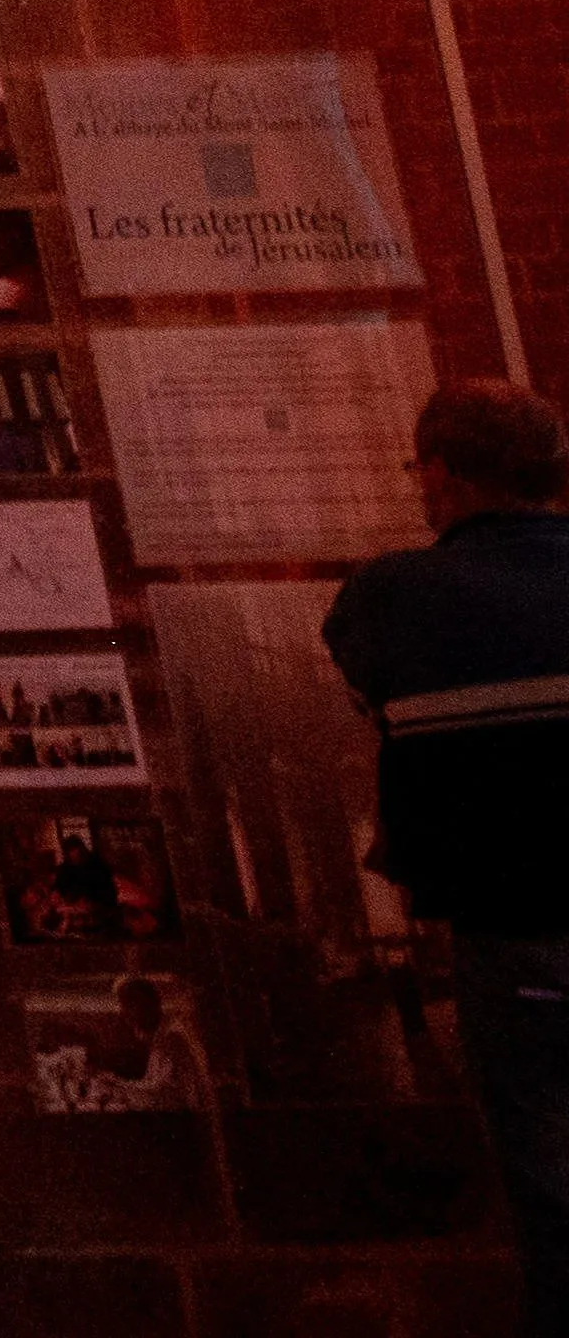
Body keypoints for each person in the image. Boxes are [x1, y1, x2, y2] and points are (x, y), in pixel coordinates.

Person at [327, 374, 569, 1329]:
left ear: (447, 474)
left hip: (510, 935)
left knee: (551, 1186)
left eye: (420, 469)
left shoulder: (393, 597)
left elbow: (369, 693)